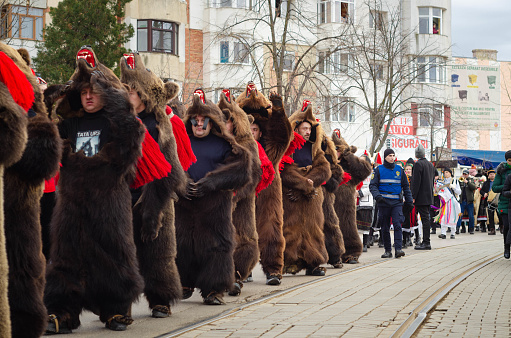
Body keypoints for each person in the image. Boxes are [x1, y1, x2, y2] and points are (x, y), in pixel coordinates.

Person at [45, 47, 146, 333]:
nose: (88, 96)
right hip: (72, 203)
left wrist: (116, 96)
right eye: (84, 91)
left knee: (113, 255)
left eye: (95, 90)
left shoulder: (117, 124)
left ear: (106, 93)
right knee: (65, 258)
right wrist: (46, 102)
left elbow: (129, 147)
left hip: (110, 203)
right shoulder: (69, 124)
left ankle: (115, 310)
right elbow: (49, 152)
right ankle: (62, 312)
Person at [120, 52, 186, 318]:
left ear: (145, 94)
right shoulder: (118, 119)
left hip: (155, 198)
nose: (128, 95)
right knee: (121, 254)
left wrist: (152, 209)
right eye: (125, 89)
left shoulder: (161, 124)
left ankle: (161, 298)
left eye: (133, 90)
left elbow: (172, 173)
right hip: (123, 196)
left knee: (158, 254)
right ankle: (119, 304)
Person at [175, 89, 251, 305]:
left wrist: (212, 182)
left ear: (213, 122)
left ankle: (214, 290)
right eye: (195, 120)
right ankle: (184, 282)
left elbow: (243, 170)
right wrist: (183, 182)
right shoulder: (181, 142)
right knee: (183, 245)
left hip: (215, 208)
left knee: (217, 248)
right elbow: (170, 165)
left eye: (204, 120)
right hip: (186, 205)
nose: (199, 125)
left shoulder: (226, 145)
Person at [236, 82, 293, 285]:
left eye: (255, 129)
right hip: (243, 195)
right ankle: (241, 269)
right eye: (248, 128)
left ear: (260, 132)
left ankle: (273, 270)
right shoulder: (237, 147)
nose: (251, 132)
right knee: (240, 231)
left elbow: (282, 135)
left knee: (271, 231)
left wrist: (278, 112)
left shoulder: (271, 149)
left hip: (269, 195)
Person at [281, 101, 331, 276]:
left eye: (309, 129)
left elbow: (324, 170)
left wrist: (308, 183)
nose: (308, 131)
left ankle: (314, 263)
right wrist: (301, 185)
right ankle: (291, 263)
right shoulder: (288, 149)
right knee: (291, 229)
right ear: (296, 129)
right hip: (291, 197)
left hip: (312, 198)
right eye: (304, 128)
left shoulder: (314, 149)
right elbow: (284, 170)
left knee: (313, 230)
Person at [331, 131, 372, 263]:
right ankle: (332, 256)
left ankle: (351, 253)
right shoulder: (326, 162)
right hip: (328, 202)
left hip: (346, 204)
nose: (335, 152)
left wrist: (349, 156)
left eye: (338, 149)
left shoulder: (349, 164)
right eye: (333, 149)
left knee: (348, 228)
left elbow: (365, 170)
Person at [369, 148, 413, 258]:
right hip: (383, 203)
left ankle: (398, 249)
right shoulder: (378, 170)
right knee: (385, 227)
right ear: (385, 157)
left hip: (397, 203)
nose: (392, 157)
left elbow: (406, 187)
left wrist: (409, 200)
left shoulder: (400, 170)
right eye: (390, 155)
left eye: (393, 155)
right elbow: (372, 185)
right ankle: (387, 250)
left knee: (398, 225)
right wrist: (378, 197)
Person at [412, 145, 436, 250]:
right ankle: (426, 241)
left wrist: (413, 196)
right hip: (428, 196)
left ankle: (426, 242)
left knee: (424, 219)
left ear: (416, 155)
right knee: (426, 219)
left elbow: (416, 182)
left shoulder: (418, 165)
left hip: (420, 197)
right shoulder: (430, 165)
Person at [493, 151, 511, 259]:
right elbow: (494, 188)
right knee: (507, 227)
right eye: (509, 161)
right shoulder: (501, 171)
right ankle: (506, 248)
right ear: (506, 160)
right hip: (504, 203)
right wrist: (507, 186)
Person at [435, 168, 461, 239]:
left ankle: (453, 233)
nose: (445, 173)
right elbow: (437, 191)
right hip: (444, 202)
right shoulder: (441, 181)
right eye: (444, 172)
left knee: (453, 216)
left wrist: (453, 188)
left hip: (453, 201)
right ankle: (443, 233)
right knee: (443, 216)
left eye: (447, 172)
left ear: (450, 173)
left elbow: (459, 192)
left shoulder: (455, 181)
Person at [357, 155, 374, 252]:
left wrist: (359, 193)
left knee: (365, 223)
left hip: (366, 200)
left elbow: (371, 186)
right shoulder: (355, 173)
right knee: (356, 223)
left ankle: (365, 243)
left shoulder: (371, 174)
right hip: (356, 201)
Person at [456, 169, 477, 234]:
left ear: (468, 174)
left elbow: (474, 187)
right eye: (463, 174)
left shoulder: (471, 180)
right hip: (462, 201)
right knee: (460, 215)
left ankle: (471, 229)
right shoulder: (460, 180)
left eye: (466, 174)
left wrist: (467, 182)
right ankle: (457, 228)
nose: (464, 175)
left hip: (469, 201)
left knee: (471, 216)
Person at [401, 163, 417, 248]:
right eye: (406, 169)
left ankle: (414, 238)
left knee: (413, 220)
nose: (408, 171)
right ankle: (405, 240)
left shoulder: (413, 179)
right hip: (403, 202)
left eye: (409, 169)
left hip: (411, 202)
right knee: (404, 220)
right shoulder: (403, 178)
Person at [483, 169, 497, 235]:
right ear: (488, 176)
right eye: (490, 174)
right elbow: (481, 191)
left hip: (497, 200)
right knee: (490, 216)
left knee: (500, 215)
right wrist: (484, 194)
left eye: (493, 174)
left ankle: (502, 227)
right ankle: (492, 229)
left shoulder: (497, 182)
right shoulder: (486, 183)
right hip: (489, 201)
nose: (492, 175)